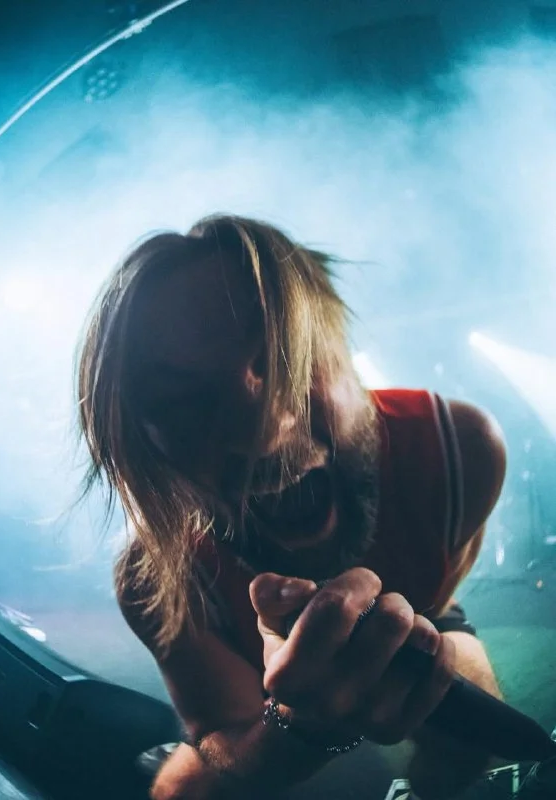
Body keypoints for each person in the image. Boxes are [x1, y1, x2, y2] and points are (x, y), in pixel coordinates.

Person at [77, 215, 506, 799]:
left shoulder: (457, 449)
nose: (261, 435)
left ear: (347, 355)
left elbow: (433, 596)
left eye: (287, 357)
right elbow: (225, 729)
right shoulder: (156, 575)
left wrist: (402, 658)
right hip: (253, 680)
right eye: (181, 401)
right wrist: (302, 726)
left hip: (422, 614)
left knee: (471, 744)